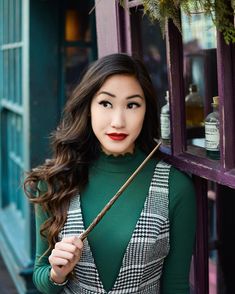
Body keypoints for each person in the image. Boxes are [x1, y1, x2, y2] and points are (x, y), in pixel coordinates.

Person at [24, 53, 196, 294]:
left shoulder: (176, 187)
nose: (118, 121)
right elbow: (41, 275)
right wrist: (57, 273)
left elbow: (176, 285)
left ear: (146, 111)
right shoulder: (54, 180)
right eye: (106, 103)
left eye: (132, 105)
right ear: (88, 108)